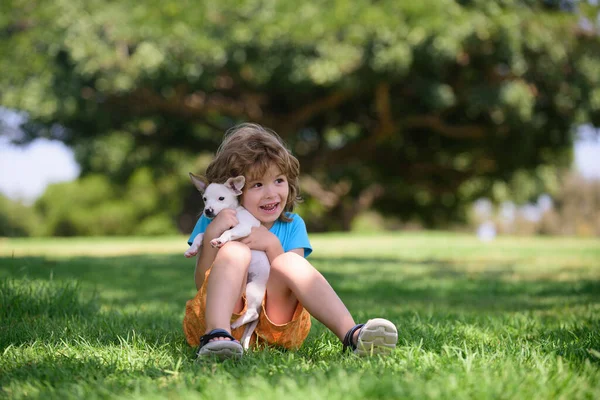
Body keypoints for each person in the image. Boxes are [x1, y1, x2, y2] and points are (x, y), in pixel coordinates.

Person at [183, 123, 398, 359]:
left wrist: (271, 244)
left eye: (279, 180)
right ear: (234, 188)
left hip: (276, 327)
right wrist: (214, 232)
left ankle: (353, 335)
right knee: (235, 252)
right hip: (226, 319)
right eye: (257, 184)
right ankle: (215, 335)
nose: (271, 193)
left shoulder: (292, 224)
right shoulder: (214, 220)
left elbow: (298, 284)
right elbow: (200, 282)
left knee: (289, 262)